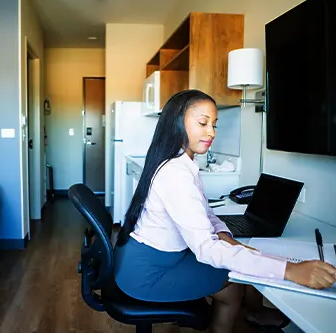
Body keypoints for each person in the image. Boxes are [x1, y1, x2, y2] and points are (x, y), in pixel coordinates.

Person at [113, 89, 336, 333]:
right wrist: (291, 270)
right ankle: (249, 313)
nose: (212, 132)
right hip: (147, 273)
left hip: (146, 258)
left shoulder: (181, 163)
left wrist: (226, 236)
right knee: (231, 284)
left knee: (238, 263)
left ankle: (253, 313)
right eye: (203, 123)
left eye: (214, 125)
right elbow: (207, 250)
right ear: (177, 120)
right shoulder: (175, 174)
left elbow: (206, 213)